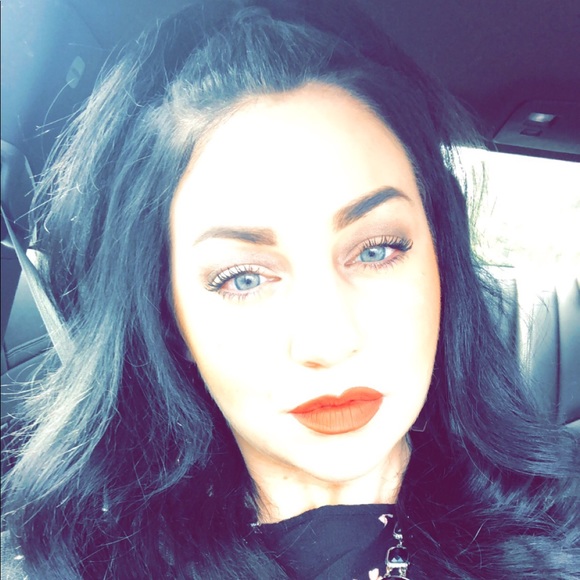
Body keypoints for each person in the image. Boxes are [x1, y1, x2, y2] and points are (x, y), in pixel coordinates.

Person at [2, 1, 578, 578]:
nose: (328, 341)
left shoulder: (560, 523)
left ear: (440, 261)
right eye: (244, 279)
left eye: (376, 250)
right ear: (171, 320)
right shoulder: (82, 564)